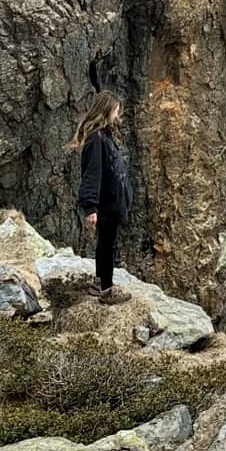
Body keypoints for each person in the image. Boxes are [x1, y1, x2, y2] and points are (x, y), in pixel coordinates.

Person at [72, 89, 133, 304]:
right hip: (107, 203)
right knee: (107, 245)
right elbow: (92, 173)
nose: (117, 115)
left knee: (107, 243)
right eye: (115, 110)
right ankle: (106, 290)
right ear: (106, 111)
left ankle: (101, 282)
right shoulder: (96, 139)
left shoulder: (103, 135)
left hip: (112, 202)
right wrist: (91, 207)